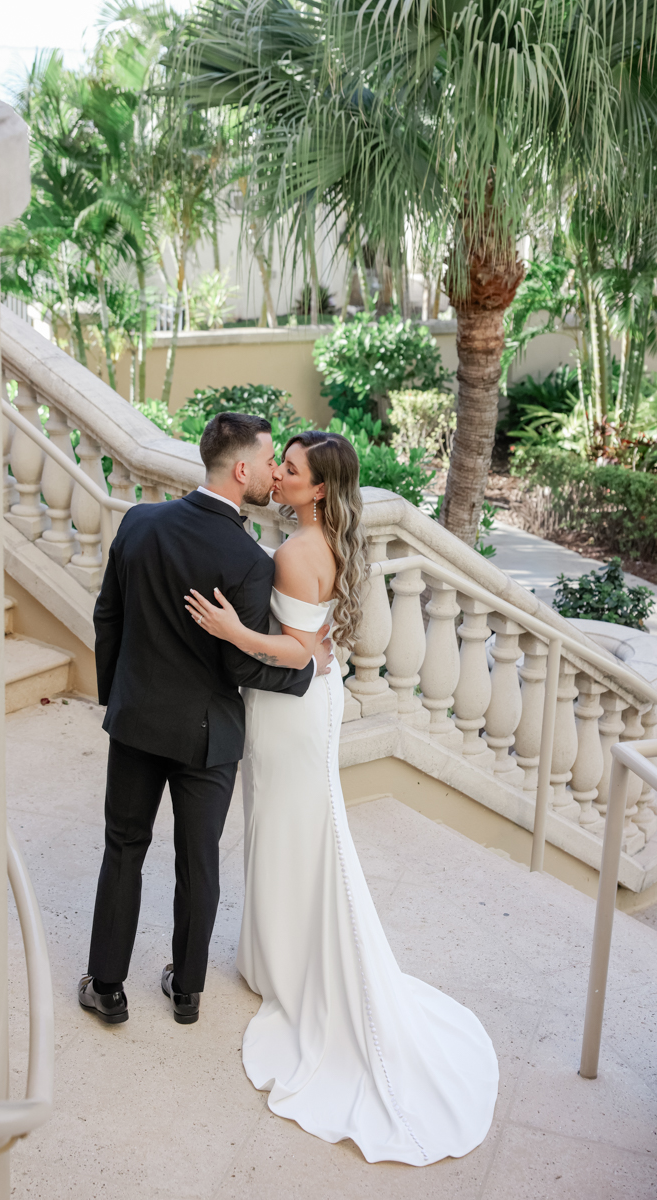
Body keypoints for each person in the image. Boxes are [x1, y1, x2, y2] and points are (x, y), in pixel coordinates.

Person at [184, 430, 499, 1166]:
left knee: (292, 830)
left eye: (290, 469)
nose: (277, 474)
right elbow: (316, 639)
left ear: (318, 488)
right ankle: (275, 957)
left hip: (290, 709)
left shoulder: (297, 551)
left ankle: (290, 968)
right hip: (308, 704)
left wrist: (232, 629)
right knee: (293, 828)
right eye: (279, 464)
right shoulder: (319, 538)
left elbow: (296, 650)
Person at [79, 412, 333, 1027]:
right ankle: (187, 991)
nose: (275, 472)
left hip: (136, 722)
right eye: (270, 461)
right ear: (242, 469)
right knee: (199, 860)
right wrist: (305, 672)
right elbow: (239, 664)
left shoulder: (139, 522)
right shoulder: (249, 560)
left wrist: (118, 697)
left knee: (124, 848)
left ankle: (107, 988)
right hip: (208, 736)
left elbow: (107, 616)